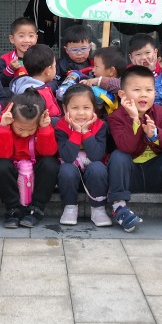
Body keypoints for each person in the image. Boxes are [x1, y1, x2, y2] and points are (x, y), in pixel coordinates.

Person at [106, 66, 162, 232]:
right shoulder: (116, 117)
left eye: (149, 90)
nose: (144, 94)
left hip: (155, 173)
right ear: (123, 94)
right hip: (130, 175)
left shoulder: (159, 112)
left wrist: (155, 135)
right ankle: (119, 207)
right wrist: (135, 120)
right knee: (118, 156)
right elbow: (126, 146)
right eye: (137, 90)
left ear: (155, 93)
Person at [0, 89, 59, 228]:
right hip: (12, 164)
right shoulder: (2, 123)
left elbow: (48, 152)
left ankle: (37, 208)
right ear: (12, 118)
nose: (25, 134)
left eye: (30, 130)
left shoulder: (43, 124)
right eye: (21, 129)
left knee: (50, 164)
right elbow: (2, 154)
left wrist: (44, 129)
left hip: (35, 164)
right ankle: (13, 209)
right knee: (0, 166)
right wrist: (4, 127)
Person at [55, 84, 110, 227]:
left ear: (94, 109)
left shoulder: (100, 126)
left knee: (98, 167)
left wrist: (85, 132)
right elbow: (67, 157)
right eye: (75, 108)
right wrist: (76, 132)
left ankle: (98, 209)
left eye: (86, 108)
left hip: (93, 177)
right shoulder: (61, 126)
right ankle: (70, 207)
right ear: (65, 109)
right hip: (71, 177)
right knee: (66, 168)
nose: (81, 113)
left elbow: (96, 156)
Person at [9, 44, 61, 118]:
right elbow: (53, 114)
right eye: (54, 66)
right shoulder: (41, 93)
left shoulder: (19, 84)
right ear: (48, 70)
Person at [0, 17, 38, 87]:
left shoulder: (41, 58)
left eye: (31, 36)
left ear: (36, 38)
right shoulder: (5, 59)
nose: (27, 40)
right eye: (21, 36)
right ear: (12, 39)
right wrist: (10, 69)